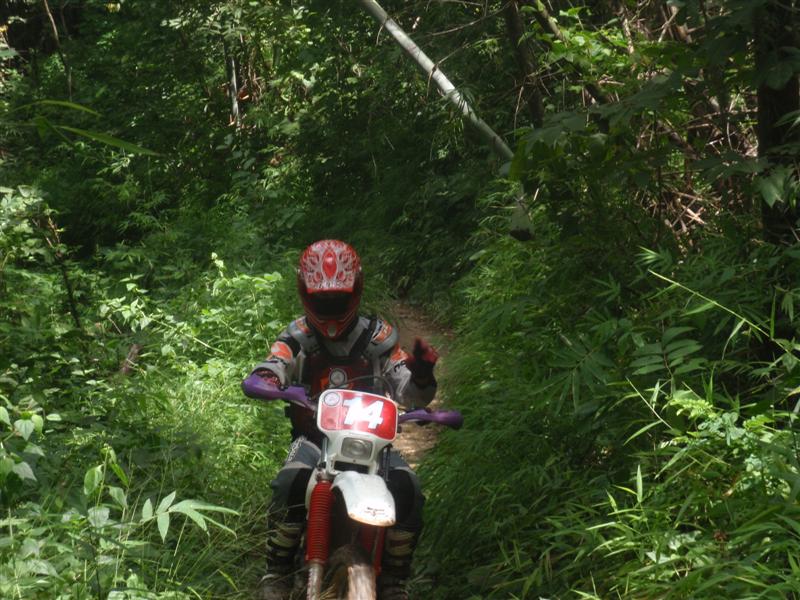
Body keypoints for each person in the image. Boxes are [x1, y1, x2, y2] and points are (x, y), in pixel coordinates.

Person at [245, 239, 439, 600]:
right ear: (305, 293)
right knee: (290, 482)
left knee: (408, 488)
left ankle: (395, 579)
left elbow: (406, 388)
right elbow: (276, 361)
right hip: (315, 440)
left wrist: (422, 375)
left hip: (373, 444)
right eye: (322, 300)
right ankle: (277, 571)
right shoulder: (297, 336)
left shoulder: (379, 337)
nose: (331, 309)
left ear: (356, 290)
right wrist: (268, 379)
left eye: (338, 299)